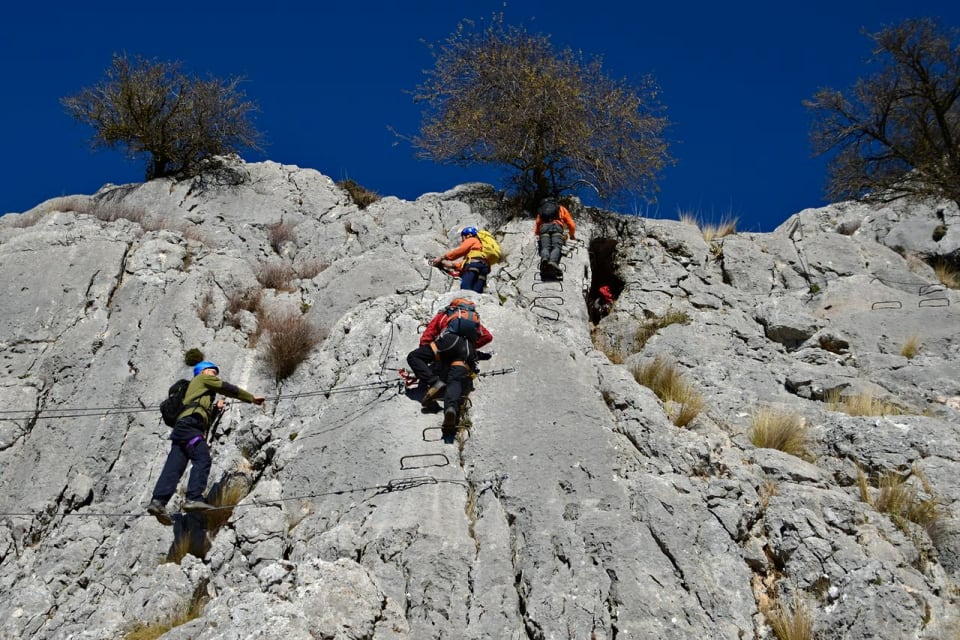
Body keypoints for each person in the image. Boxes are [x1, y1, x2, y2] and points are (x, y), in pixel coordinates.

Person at [147, 361, 265, 525]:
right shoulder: (203, 379)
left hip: (183, 428)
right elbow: (226, 388)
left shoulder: (198, 391)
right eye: (212, 372)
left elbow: (200, 412)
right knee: (202, 458)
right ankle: (193, 498)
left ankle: (158, 502)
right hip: (190, 426)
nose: (215, 375)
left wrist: (215, 409)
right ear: (203, 372)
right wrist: (250, 398)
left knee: (174, 467)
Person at [406, 299, 493, 429]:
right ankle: (450, 410)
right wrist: (471, 346)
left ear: (454, 305)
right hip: (467, 350)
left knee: (413, 357)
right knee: (455, 380)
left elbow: (428, 335)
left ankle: (435, 382)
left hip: (449, 343)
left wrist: (427, 357)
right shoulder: (473, 320)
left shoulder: (446, 313)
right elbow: (487, 336)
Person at [431, 226, 490, 293]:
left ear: (468, 235)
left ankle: (465, 302)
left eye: (463, 237)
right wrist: (445, 264)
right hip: (484, 268)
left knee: (465, 287)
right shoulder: (478, 250)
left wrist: (442, 257)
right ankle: (474, 302)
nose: (462, 240)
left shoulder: (472, 240)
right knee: (476, 291)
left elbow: (460, 251)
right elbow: (462, 265)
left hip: (474, 265)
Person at [534, 199, 577, 280]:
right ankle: (552, 262)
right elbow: (571, 224)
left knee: (545, 247)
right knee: (556, 247)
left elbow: (538, 223)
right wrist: (571, 235)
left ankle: (545, 259)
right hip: (556, 227)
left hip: (543, 228)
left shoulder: (542, 209)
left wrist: (537, 233)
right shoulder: (561, 208)